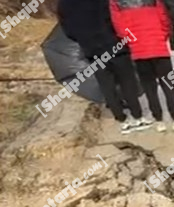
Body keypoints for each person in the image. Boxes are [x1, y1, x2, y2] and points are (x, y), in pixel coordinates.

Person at [57, 0, 151, 134]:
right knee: (127, 81)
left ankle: (123, 121)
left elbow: (68, 31)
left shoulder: (64, 5)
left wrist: (85, 39)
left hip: (92, 50)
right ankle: (138, 117)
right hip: (114, 44)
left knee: (107, 86)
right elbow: (115, 15)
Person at [109, 0, 174, 132]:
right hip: (159, 49)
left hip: (139, 53)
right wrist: (161, 37)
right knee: (168, 86)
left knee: (150, 89)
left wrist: (132, 41)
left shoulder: (116, 3)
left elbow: (119, 28)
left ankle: (159, 121)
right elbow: (165, 20)